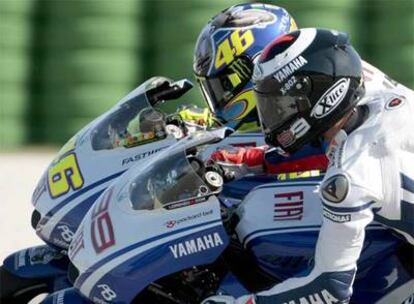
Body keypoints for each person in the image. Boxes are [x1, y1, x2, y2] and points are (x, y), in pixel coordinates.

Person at [202, 28, 414, 304]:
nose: (273, 117)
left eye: (281, 105)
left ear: (321, 98)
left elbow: (330, 287)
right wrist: (260, 160)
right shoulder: (372, 85)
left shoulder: (350, 178)